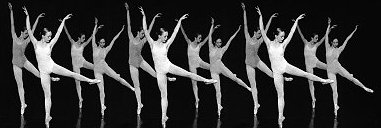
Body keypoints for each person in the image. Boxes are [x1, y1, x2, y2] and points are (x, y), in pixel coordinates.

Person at [256, 7, 333, 127]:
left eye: (283, 36)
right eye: (281, 36)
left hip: (285, 66)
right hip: (276, 72)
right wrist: (260, 16)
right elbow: (261, 28)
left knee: (305, 74)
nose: (283, 38)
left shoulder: (283, 45)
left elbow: (291, 34)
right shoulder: (268, 43)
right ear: (276, 36)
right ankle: (280, 117)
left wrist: (296, 21)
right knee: (280, 95)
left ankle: (323, 80)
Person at [24, 7, 101, 127]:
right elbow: (29, 29)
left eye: (50, 36)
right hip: (43, 72)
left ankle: (90, 80)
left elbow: (59, 34)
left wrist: (64, 20)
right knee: (47, 96)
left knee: (71, 73)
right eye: (48, 36)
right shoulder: (35, 43)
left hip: (52, 66)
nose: (50, 38)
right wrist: (27, 16)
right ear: (43, 36)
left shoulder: (50, 45)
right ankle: (47, 117)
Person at [140, 7, 217, 126]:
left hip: (168, 66)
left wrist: (180, 21)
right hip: (160, 72)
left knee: (188, 74)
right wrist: (144, 16)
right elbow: (145, 30)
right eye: (164, 36)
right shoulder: (152, 43)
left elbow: (175, 33)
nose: (166, 38)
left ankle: (206, 80)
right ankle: (163, 118)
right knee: (164, 96)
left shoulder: (166, 45)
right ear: (159, 36)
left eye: (167, 36)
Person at [241, 3, 293, 115]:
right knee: (253, 85)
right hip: (249, 64)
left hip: (257, 61)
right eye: (258, 33)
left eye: (261, 33)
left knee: (272, 74)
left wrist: (269, 18)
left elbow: (265, 29)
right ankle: (256, 104)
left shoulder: (260, 40)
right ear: (254, 32)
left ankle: (284, 79)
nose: (260, 35)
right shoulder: (247, 37)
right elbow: (245, 25)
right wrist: (244, 10)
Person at [9, 3, 60, 115]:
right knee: (20, 85)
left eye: (28, 33)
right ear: (21, 32)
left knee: (39, 74)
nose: (27, 34)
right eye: (26, 33)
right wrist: (11, 10)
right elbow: (12, 24)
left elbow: (32, 28)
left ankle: (51, 79)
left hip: (24, 60)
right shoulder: (14, 36)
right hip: (16, 64)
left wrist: (36, 18)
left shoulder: (27, 40)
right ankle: (23, 104)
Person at [125, 2, 175, 115]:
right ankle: (139, 104)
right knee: (137, 85)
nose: (143, 35)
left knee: (155, 74)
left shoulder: (144, 40)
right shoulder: (130, 36)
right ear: (137, 32)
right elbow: (129, 24)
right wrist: (128, 11)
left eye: (143, 34)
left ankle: (168, 79)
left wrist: (152, 19)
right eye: (141, 33)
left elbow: (148, 29)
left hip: (140, 61)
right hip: (132, 63)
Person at [324, 18, 373, 117]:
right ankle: (335, 107)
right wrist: (329, 25)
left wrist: (354, 31)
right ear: (331, 42)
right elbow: (326, 36)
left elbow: (347, 39)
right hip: (330, 71)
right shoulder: (327, 47)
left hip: (338, 67)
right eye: (334, 42)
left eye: (337, 42)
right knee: (334, 90)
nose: (335, 44)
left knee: (351, 78)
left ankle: (364, 87)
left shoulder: (339, 49)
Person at [208, 18, 251, 118]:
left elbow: (230, 40)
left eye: (220, 42)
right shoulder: (210, 46)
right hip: (213, 71)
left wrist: (237, 31)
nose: (220, 43)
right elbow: (209, 36)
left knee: (234, 78)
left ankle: (248, 87)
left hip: (221, 67)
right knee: (218, 90)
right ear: (215, 42)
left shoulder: (222, 49)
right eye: (218, 42)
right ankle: (219, 106)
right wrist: (212, 25)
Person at [91, 18, 135, 118]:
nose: (103, 44)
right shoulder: (94, 47)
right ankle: (102, 107)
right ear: (98, 42)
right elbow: (93, 35)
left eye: (104, 42)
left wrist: (120, 31)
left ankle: (131, 87)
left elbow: (114, 40)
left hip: (105, 67)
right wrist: (95, 25)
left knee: (118, 78)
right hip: (97, 71)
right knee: (101, 89)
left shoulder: (106, 49)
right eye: (101, 42)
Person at [179, 19, 213, 109]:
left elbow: (207, 38)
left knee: (212, 67)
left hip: (199, 61)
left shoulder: (200, 45)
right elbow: (183, 33)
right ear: (195, 38)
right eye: (199, 38)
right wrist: (180, 23)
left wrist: (212, 28)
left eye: (200, 38)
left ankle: (228, 74)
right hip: (192, 65)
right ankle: (197, 99)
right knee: (194, 83)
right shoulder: (189, 43)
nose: (200, 39)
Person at [296, 22, 328, 109]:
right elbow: (300, 34)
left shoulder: (316, 45)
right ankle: (313, 100)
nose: (317, 39)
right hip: (308, 66)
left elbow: (324, 38)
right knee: (310, 83)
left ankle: (326, 80)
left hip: (315, 61)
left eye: (317, 38)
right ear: (312, 38)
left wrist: (328, 28)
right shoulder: (306, 42)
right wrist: (297, 24)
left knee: (329, 67)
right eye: (316, 38)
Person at [63, 21, 95, 109]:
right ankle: (80, 99)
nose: (84, 39)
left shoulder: (83, 45)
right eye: (83, 38)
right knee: (77, 82)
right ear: (79, 38)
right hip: (75, 65)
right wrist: (64, 24)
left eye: (84, 38)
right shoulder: (73, 42)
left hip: (82, 61)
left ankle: (98, 78)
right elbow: (67, 33)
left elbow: (91, 38)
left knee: (95, 67)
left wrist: (95, 27)